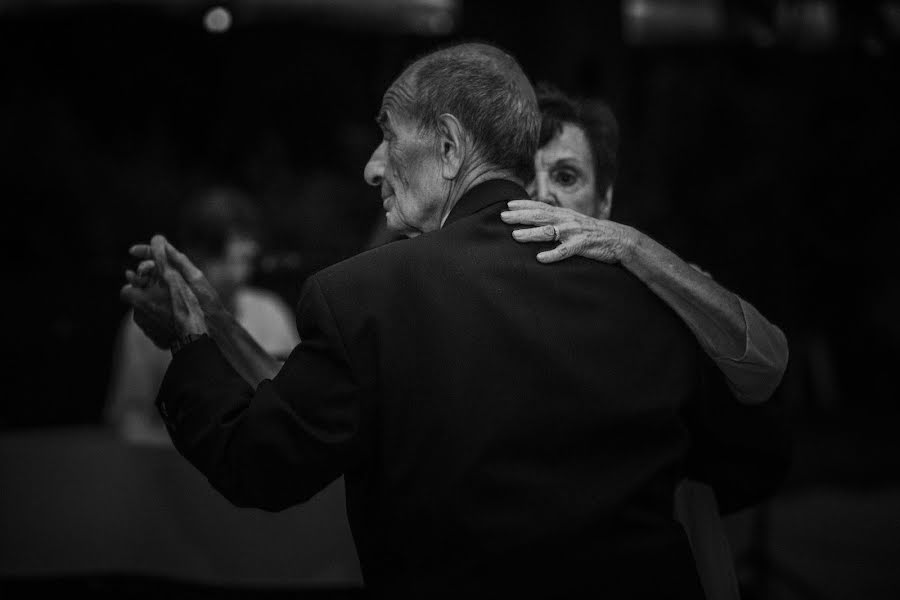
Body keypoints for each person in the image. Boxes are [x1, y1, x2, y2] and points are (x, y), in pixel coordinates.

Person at [122, 42, 752, 597]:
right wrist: (221, 325)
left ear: (449, 148)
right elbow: (745, 459)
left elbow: (259, 463)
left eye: (389, 136)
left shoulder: (367, 294)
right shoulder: (649, 290)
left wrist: (189, 342)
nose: (374, 165)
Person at [501, 84, 792, 599]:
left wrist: (631, 245)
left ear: (605, 199)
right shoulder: (480, 301)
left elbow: (767, 362)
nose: (541, 194)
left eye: (565, 176)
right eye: (523, 176)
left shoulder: (659, 284)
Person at [105, 185, 299, 445]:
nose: (251, 249)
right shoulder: (151, 317)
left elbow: (299, 404)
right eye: (237, 237)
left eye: (249, 236)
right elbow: (130, 421)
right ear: (201, 249)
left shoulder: (271, 310)